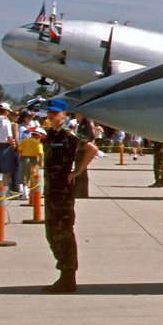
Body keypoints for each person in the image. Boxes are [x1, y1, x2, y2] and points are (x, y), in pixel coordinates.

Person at [40, 98, 99, 293]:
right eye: (49, 112)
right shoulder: (49, 136)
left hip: (63, 193)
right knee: (51, 233)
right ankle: (63, 273)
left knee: (63, 233)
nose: (51, 116)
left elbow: (92, 149)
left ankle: (68, 277)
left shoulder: (69, 136)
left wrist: (77, 171)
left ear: (64, 115)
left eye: (55, 113)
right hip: (50, 192)